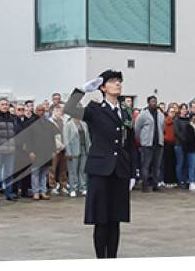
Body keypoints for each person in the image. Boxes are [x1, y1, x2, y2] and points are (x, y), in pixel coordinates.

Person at [64, 69, 139, 258]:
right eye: (113, 81)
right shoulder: (95, 109)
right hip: (100, 170)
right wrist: (81, 90)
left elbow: (130, 143)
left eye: (119, 81)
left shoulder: (126, 111)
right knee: (101, 219)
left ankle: (112, 258)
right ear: (103, 87)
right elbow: (69, 109)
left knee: (115, 220)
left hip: (120, 170)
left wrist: (133, 172)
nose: (118, 84)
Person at [134, 95, 164, 193]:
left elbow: (162, 127)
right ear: (148, 103)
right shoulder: (143, 115)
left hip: (158, 144)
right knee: (146, 165)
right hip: (147, 145)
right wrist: (142, 141)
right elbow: (137, 129)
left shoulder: (161, 115)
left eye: (155, 101)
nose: (154, 103)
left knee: (157, 166)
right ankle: (145, 185)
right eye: (152, 101)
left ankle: (155, 184)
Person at [0, 98, 17, 203]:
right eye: (3, 104)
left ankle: (9, 194)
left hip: (10, 151)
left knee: (9, 174)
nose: (5, 106)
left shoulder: (12, 119)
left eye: (6, 104)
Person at [63, 113, 91, 196]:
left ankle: (83, 188)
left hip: (84, 149)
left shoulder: (84, 124)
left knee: (82, 170)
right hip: (73, 150)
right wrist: (68, 152)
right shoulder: (68, 124)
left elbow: (87, 138)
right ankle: (73, 189)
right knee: (73, 171)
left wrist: (89, 149)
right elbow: (66, 139)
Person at [48, 104, 69, 196]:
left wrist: (66, 145)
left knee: (64, 169)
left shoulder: (65, 121)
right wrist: (59, 145)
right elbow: (50, 136)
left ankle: (63, 186)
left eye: (60, 111)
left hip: (65, 149)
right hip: (54, 149)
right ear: (53, 111)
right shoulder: (49, 122)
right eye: (57, 111)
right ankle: (53, 186)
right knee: (52, 169)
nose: (59, 113)